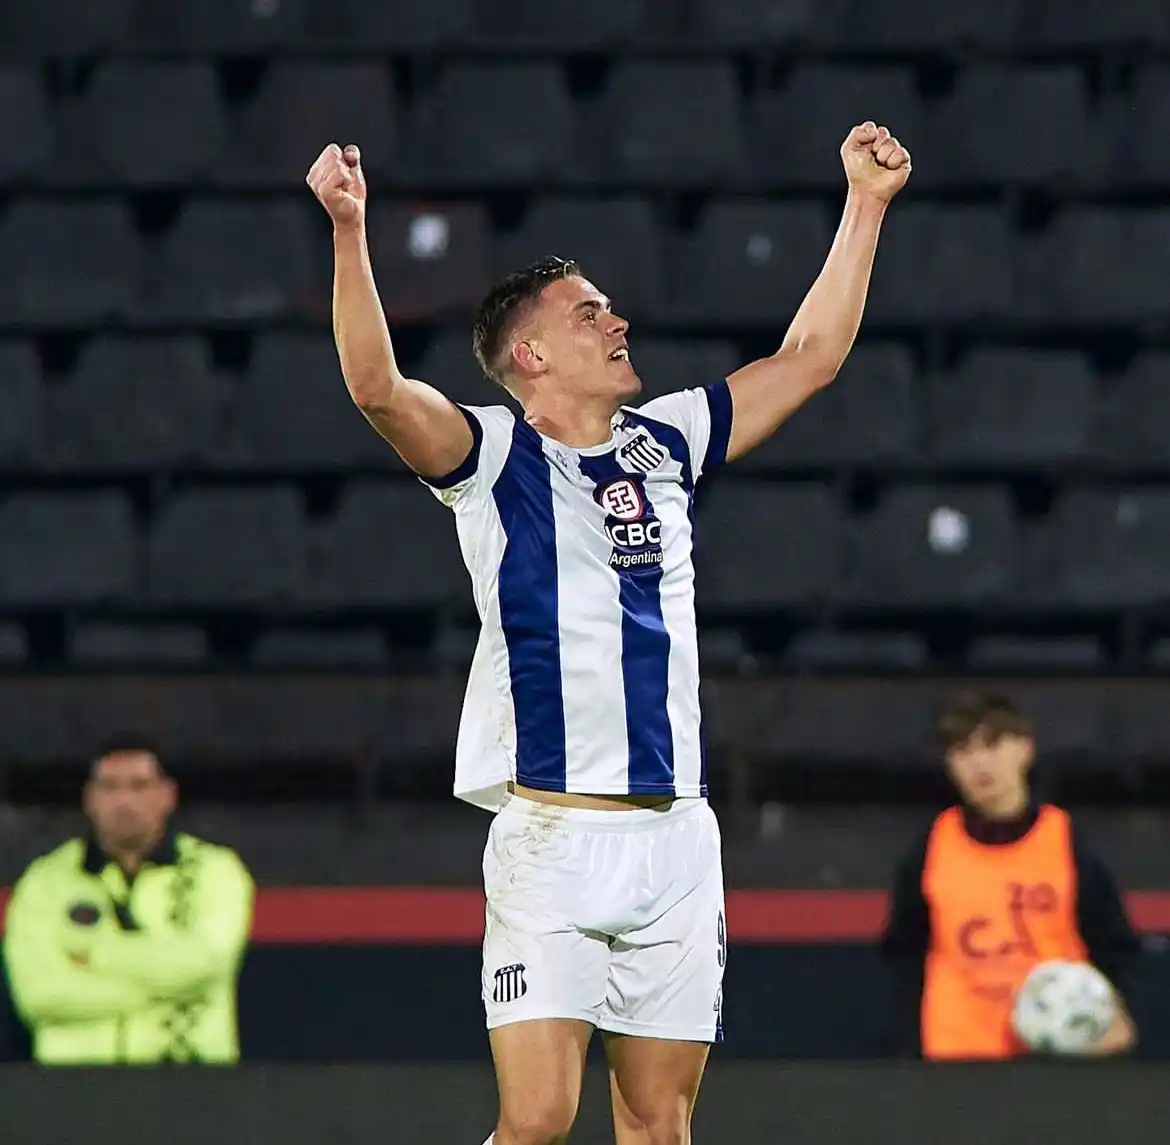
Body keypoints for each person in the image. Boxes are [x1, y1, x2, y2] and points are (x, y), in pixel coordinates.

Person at [306, 122, 911, 1145]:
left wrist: (866, 205)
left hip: (676, 834)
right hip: (555, 837)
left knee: (658, 1123)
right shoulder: (489, 457)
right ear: (531, 353)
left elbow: (807, 359)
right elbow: (376, 387)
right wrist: (349, 230)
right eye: (589, 312)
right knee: (538, 1117)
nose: (617, 319)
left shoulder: (666, 439)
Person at [882, 691, 1140, 1061]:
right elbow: (903, 955)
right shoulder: (931, 847)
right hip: (957, 1060)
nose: (980, 764)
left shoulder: (1067, 841)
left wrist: (1120, 1020)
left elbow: (1115, 946)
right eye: (963, 752)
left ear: (1024, 750)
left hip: (1058, 1061)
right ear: (950, 765)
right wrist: (908, 1047)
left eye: (992, 745)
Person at [2, 741, 253, 1065]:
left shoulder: (214, 871)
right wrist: (163, 988)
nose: (124, 801)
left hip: (189, 1082)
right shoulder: (46, 881)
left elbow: (204, 963)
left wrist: (92, 954)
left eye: (139, 786)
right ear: (90, 799)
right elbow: (38, 995)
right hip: (73, 1089)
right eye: (109, 787)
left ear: (167, 796)